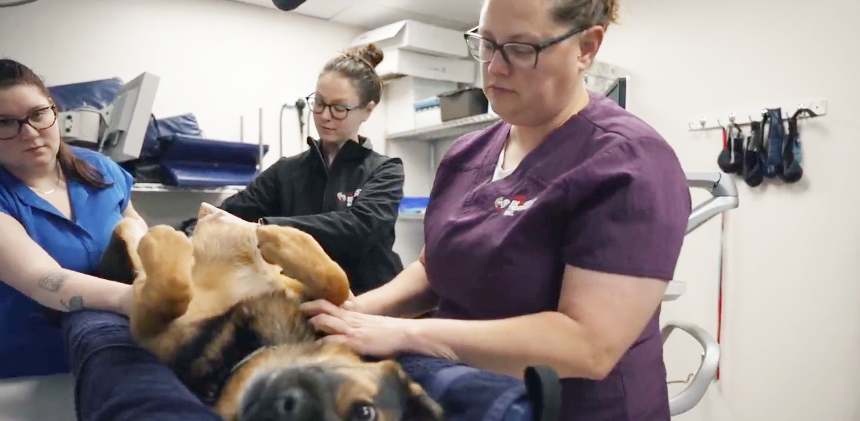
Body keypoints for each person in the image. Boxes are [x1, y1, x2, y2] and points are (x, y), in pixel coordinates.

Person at [299, 0, 693, 420]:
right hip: (469, 398)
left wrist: (408, 333)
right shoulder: (468, 152)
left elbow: (587, 345)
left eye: (521, 49)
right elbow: (436, 267)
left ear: (586, 47)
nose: (494, 68)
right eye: (486, 43)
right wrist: (357, 312)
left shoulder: (629, 162)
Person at [0, 59, 222, 421]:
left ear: (55, 113)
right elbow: (42, 280)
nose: (29, 132)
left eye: (38, 114)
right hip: (30, 374)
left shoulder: (99, 169)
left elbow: (134, 229)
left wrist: (171, 272)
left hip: (127, 344)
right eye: (5, 123)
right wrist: (138, 300)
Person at [185, 43, 405, 295]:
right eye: (319, 103)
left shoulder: (385, 170)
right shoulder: (286, 171)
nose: (324, 115)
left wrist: (261, 229)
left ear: (368, 110)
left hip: (370, 300)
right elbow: (231, 212)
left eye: (339, 108)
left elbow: (357, 227)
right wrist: (191, 232)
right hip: (303, 300)